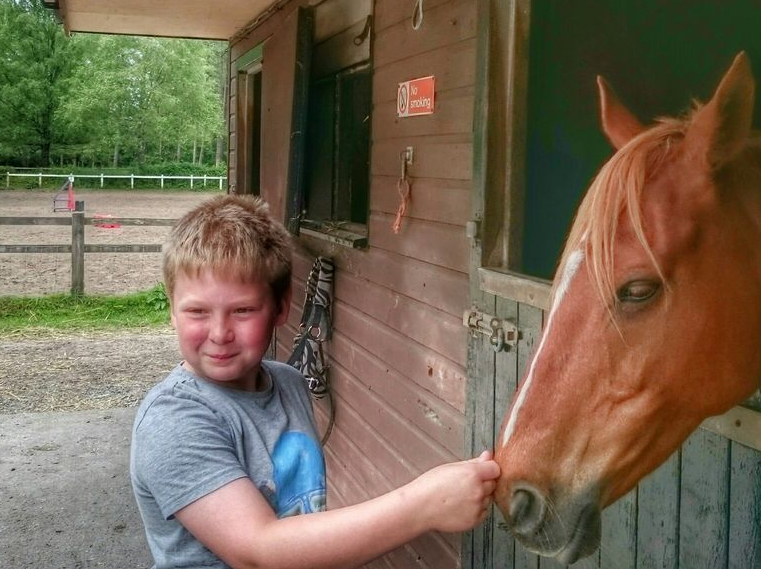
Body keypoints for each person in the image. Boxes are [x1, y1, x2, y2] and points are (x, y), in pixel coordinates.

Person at [131, 194, 499, 569]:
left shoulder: (289, 382)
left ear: (280, 308)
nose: (220, 332)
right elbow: (258, 552)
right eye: (197, 311)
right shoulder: (173, 421)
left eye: (243, 310)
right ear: (172, 311)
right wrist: (422, 507)